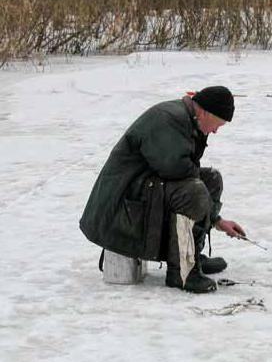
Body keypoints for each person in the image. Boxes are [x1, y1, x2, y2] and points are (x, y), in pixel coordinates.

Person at [80, 86, 245, 294]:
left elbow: (186, 172)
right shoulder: (169, 119)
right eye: (218, 124)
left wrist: (217, 220)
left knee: (211, 180)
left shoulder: (188, 119)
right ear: (204, 112)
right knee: (194, 191)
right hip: (122, 202)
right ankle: (182, 272)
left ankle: (191, 255)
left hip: (145, 187)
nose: (215, 131)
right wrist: (213, 217)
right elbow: (175, 169)